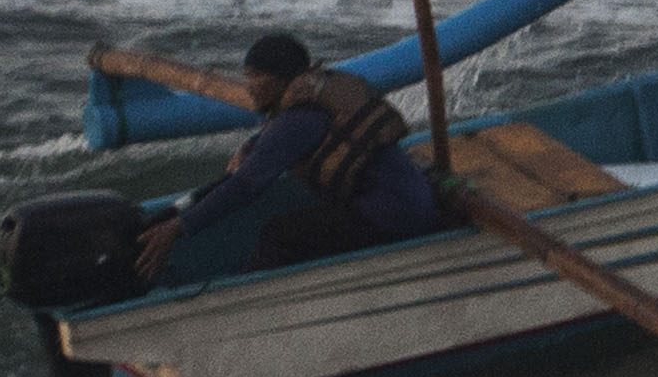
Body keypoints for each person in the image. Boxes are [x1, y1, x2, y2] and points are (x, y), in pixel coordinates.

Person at [135, 32, 441, 281]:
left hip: (395, 214)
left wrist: (179, 228)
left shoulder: (302, 118)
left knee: (278, 234)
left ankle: (247, 303)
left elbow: (244, 186)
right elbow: (263, 152)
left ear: (281, 79)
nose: (248, 86)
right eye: (246, 76)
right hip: (407, 203)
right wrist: (251, 145)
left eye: (256, 76)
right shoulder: (311, 101)